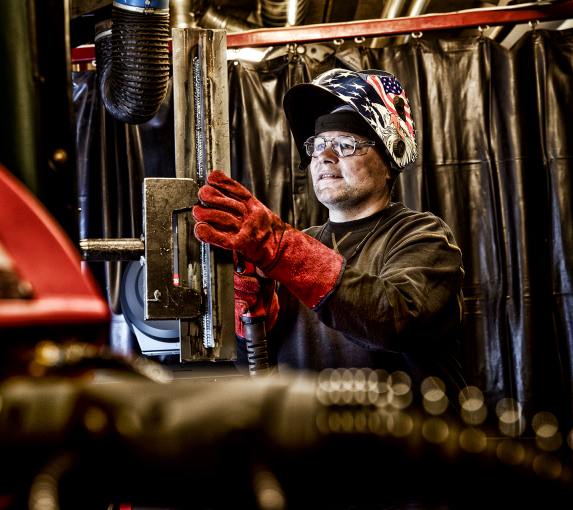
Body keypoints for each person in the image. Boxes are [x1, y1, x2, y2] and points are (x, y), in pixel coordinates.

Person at [192, 68, 465, 401]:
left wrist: (284, 250)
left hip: (405, 446)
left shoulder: (424, 236)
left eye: (345, 144)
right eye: (318, 144)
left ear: (391, 152)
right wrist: (249, 312)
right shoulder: (290, 249)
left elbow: (396, 320)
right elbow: (255, 366)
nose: (324, 155)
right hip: (315, 444)